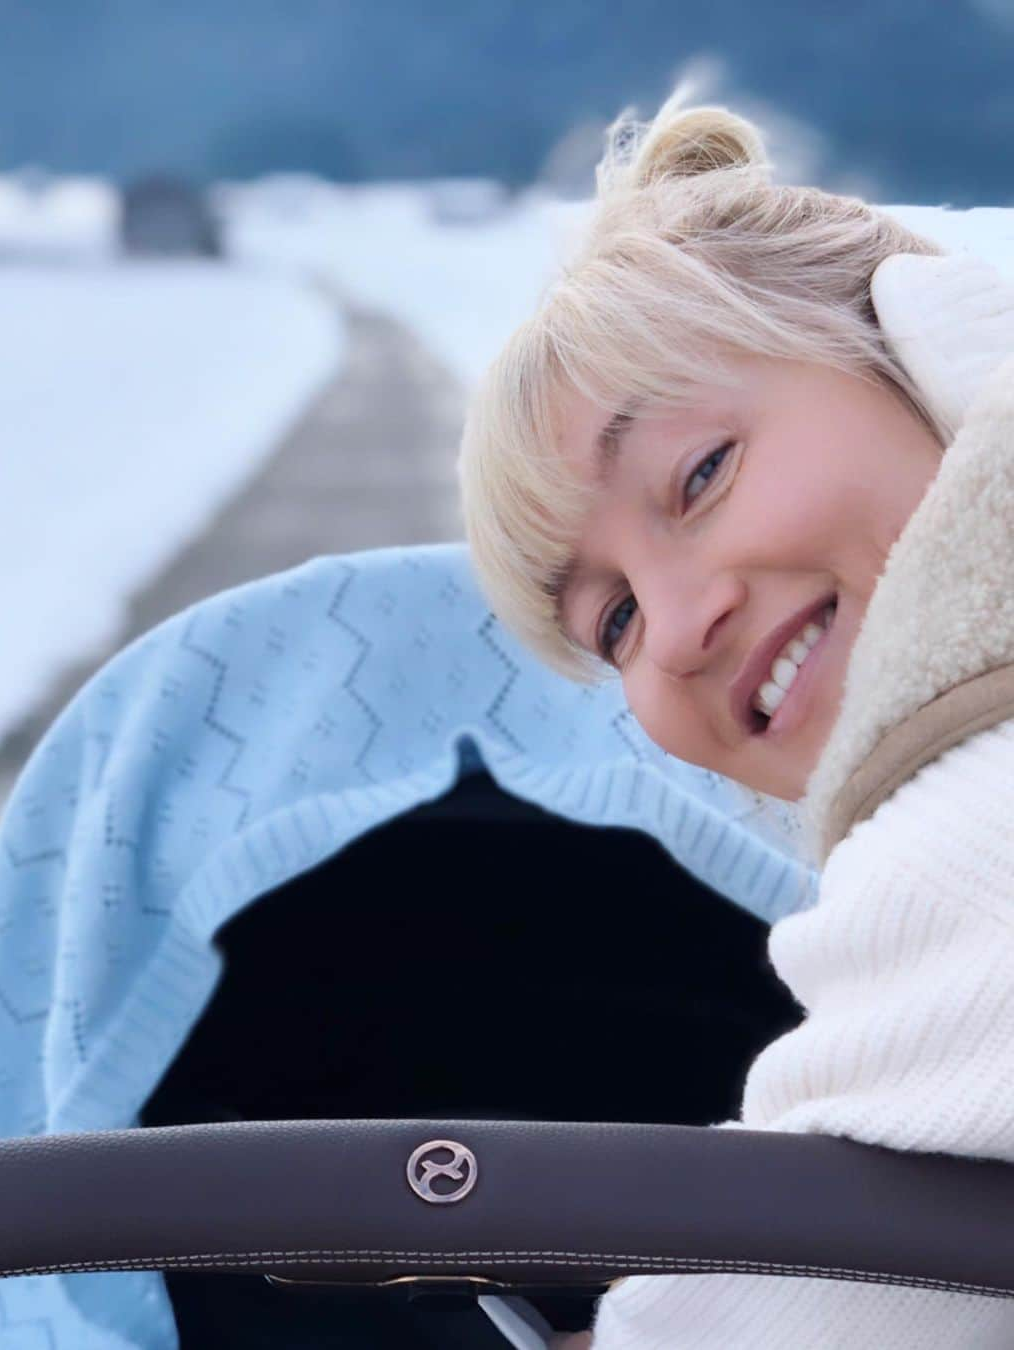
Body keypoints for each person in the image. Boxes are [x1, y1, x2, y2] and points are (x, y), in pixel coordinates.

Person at [458, 81, 1014, 1348]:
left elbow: (791, 1280)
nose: (680, 625)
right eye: (612, 625)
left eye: (701, 474)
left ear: (917, 349)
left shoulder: (974, 844)